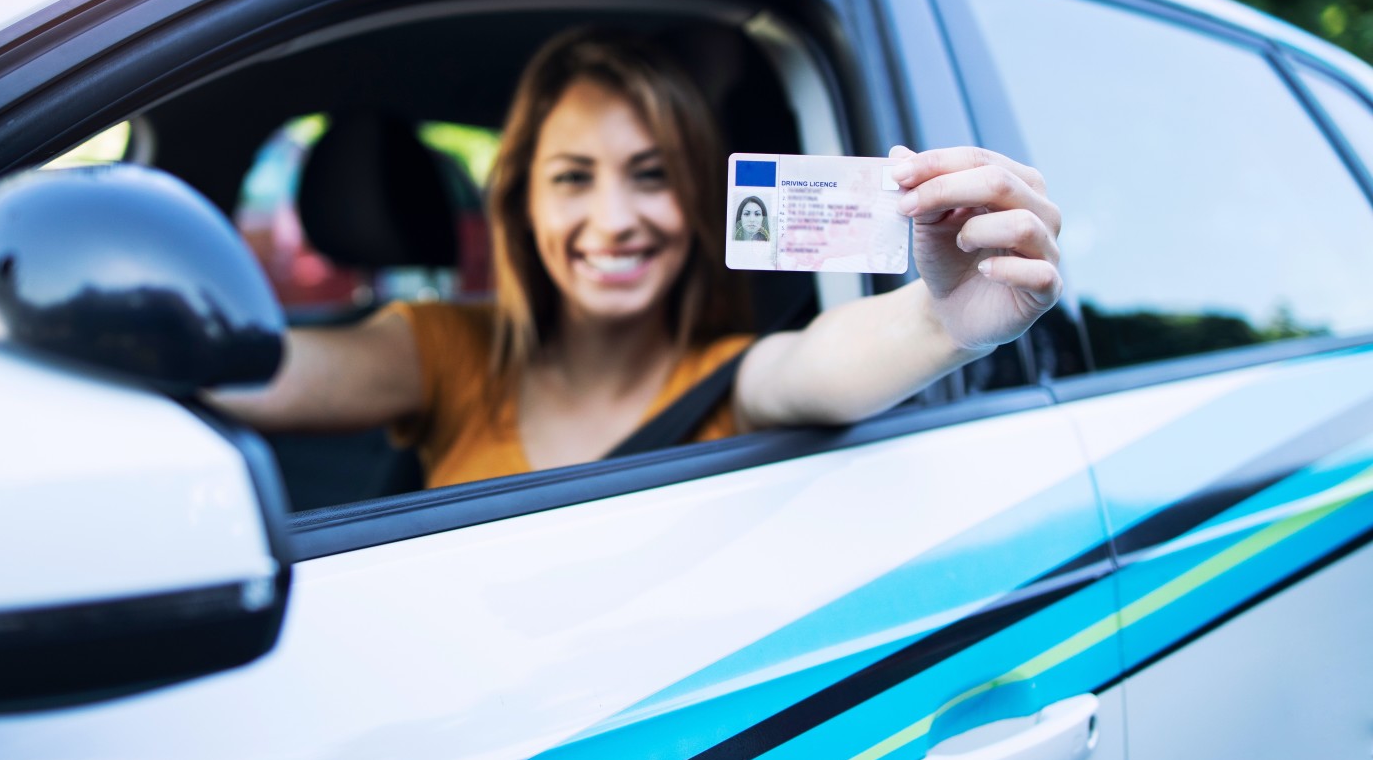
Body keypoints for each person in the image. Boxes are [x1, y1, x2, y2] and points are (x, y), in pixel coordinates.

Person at [212, 28, 1062, 488]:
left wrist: (943, 316)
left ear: (698, 202)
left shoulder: (733, 380)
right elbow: (261, 371)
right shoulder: (445, 351)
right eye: (573, 178)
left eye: (651, 176)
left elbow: (813, 364)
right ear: (523, 206)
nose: (613, 220)